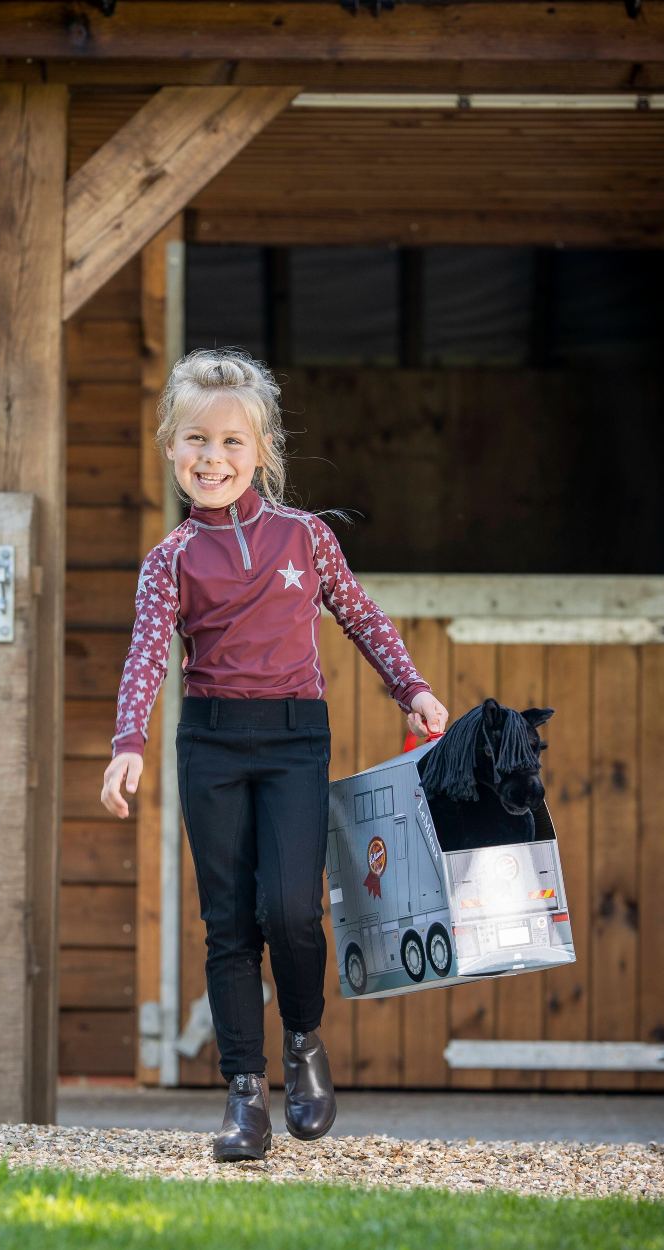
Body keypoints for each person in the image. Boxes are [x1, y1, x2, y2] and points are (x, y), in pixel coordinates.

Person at [100, 348, 449, 1162]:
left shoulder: (305, 538)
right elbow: (147, 655)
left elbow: (363, 617)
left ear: (260, 452)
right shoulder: (170, 562)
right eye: (195, 441)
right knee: (228, 924)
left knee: (291, 910)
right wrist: (128, 744)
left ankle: (302, 1040)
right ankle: (244, 1095)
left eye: (230, 443)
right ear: (171, 449)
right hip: (212, 742)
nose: (211, 458)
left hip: (295, 738)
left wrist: (414, 688)